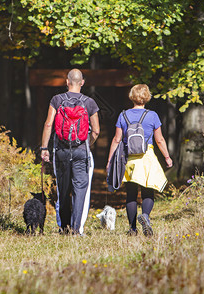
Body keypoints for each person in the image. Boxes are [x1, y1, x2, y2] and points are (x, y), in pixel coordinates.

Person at [106, 84, 172, 236]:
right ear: (147, 97)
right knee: (148, 191)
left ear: (132, 96)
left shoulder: (123, 115)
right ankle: (146, 216)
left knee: (131, 193)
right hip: (146, 157)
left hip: (129, 159)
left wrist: (110, 161)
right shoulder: (152, 115)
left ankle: (132, 229)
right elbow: (160, 139)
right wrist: (167, 157)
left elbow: (116, 140)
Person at [41, 69, 100, 235]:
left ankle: (64, 228)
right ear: (82, 82)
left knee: (63, 189)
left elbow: (48, 124)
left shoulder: (57, 100)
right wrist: (85, 143)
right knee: (80, 189)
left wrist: (45, 148)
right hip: (81, 151)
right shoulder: (90, 102)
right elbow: (96, 131)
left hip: (61, 151)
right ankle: (76, 229)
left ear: (67, 82)